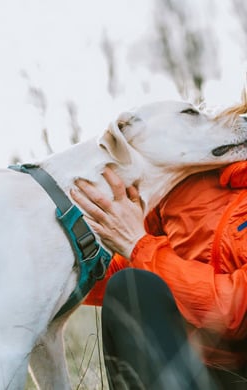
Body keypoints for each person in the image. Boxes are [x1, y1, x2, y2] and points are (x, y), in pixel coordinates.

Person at [70, 102, 247, 389]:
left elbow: (234, 312)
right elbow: (111, 276)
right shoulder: (190, 176)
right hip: (190, 372)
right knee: (129, 287)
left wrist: (137, 245)